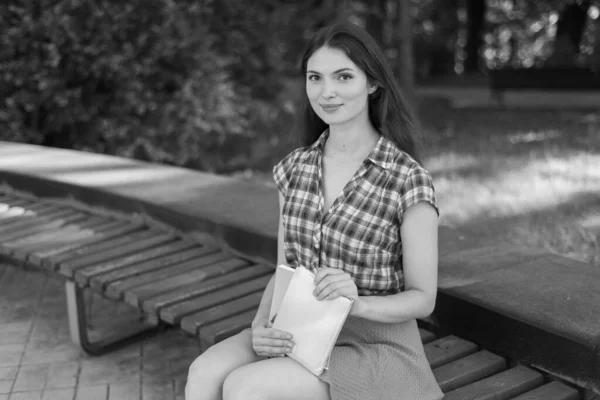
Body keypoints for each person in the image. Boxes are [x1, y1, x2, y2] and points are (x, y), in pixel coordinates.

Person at [185, 21, 444, 400]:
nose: (327, 92)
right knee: (204, 371)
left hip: (376, 345)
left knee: (246, 387)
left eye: (343, 77)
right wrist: (261, 325)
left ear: (372, 84)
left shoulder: (407, 179)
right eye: (315, 78)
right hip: (301, 328)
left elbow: (424, 298)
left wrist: (358, 304)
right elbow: (285, 271)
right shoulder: (294, 169)